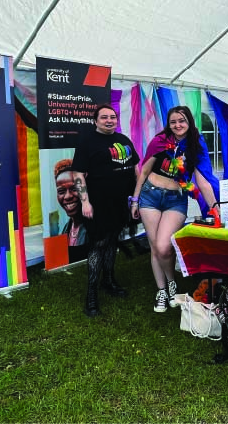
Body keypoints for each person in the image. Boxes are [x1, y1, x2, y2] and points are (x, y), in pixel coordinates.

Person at [131, 106, 218, 313]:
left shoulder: (196, 145)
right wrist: (135, 200)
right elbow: (144, 171)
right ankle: (162, 290)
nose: (178, 125)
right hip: (150, 195)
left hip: (175, 200)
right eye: (173, 122)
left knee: (164, 246)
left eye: (182, 121)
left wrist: (214, 206)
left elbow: (203, 179)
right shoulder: (160, 141)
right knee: (155, 247)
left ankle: (171, 282)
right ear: (168, 124)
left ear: (189, 121)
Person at [72, 104, 139, 317]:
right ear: (96, 121)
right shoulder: (87, 141)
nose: (109, 120)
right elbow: (78, 174)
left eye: (112, 117)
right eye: (104, 117)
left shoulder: (124, 140)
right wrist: (85, 202)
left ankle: (108, 281)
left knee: (112, 241)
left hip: (121, 203)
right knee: (98, 244)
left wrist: (136, 199)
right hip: (98, 203)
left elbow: (136, 169)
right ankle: (91, 295)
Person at [54, 159, 87, 247]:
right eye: (61, 191)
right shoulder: (66, 228)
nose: (67, 196)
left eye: (74, 189)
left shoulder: (98, 228)